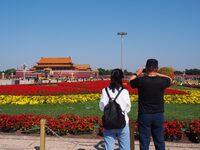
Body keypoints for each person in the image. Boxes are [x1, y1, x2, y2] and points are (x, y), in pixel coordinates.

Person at [129, 59, 172, 150]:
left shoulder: (141, 80)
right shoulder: (162, 81)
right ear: (157, 68)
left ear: (146, 68)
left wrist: (137, 73)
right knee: (159, 140)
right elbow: (170, 79)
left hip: (144, 114)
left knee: (144, 140)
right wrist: (158, 73)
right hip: (158, 114)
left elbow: (130, 81)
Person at [99, 68, 131, 150]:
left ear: (111, 78)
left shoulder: (105, 90)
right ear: (121, 78)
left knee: (109, 147)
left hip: (109, 122)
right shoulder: (125, 91)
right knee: (125, 147)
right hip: (122, 122)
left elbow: (102, 107)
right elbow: (128, 108)